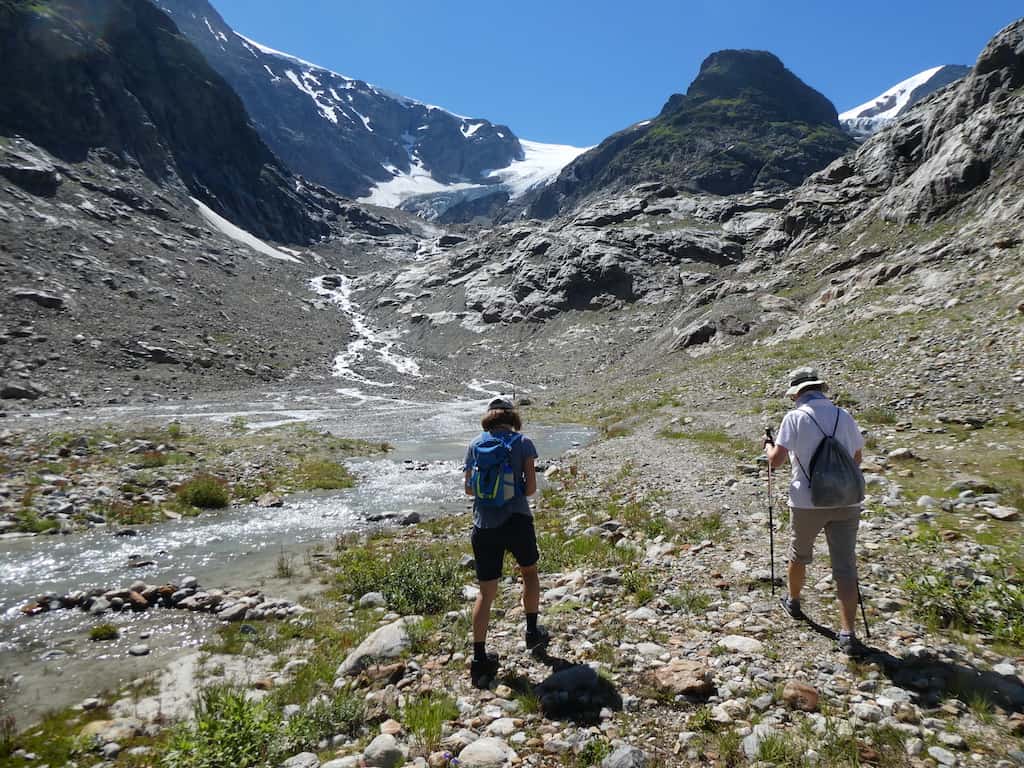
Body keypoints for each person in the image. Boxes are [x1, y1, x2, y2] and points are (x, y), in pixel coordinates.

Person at [764, 366, 866, 654]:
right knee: (845, 566)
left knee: (799, 554)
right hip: (847, 499)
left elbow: (776, 462)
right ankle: (848, 633)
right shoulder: (844, 415)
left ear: (796, 393)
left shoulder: (794, 417)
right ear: (820, 388)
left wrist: (768, 446)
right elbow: (857, 457)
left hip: (807, 501)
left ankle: (793, 601)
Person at [463, 396, 549, 686]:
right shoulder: (523, 442)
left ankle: (479, 659)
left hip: (483, 525)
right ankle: (532, 633)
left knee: (485, 592)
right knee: (529, 573)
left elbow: (469, 490)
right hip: (517, 520)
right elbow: (531, 489)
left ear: (488, 418)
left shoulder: (475, 444)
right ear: (513, 418)